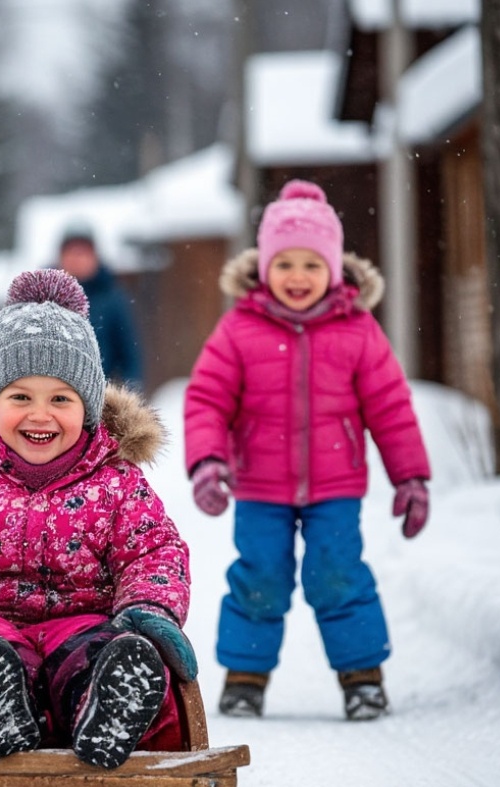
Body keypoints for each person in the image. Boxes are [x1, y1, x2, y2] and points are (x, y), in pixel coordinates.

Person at [0, 268, 197, 769]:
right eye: (19, 397)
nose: (39, 415)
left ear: (87, 409)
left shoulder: (115, 481)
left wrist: (151, 608)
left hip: (83, 625)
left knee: (103, 646)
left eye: (60, 399)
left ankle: (107, 702)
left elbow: (154, 551)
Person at [183, 179, 431, 722]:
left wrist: (409, 477)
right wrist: (208, 460)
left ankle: (362, 676)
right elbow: (206, 399)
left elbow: (391, 407)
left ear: (335, 269)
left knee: (337, 571)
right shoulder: (239, 329)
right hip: (260, 487)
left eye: (312, 265)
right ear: (264, 266)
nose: (298, 277)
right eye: (286, 263)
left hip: (335, 486)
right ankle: (246, 676)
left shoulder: (358, 330)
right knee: (260, 575)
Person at [56, 221, 143, 388]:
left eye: (82, 253)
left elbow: (130, 357)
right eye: (71, 253)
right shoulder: (44, 297)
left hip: (101, 394)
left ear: (94, 257)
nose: (76, 259)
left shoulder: (113, 299)